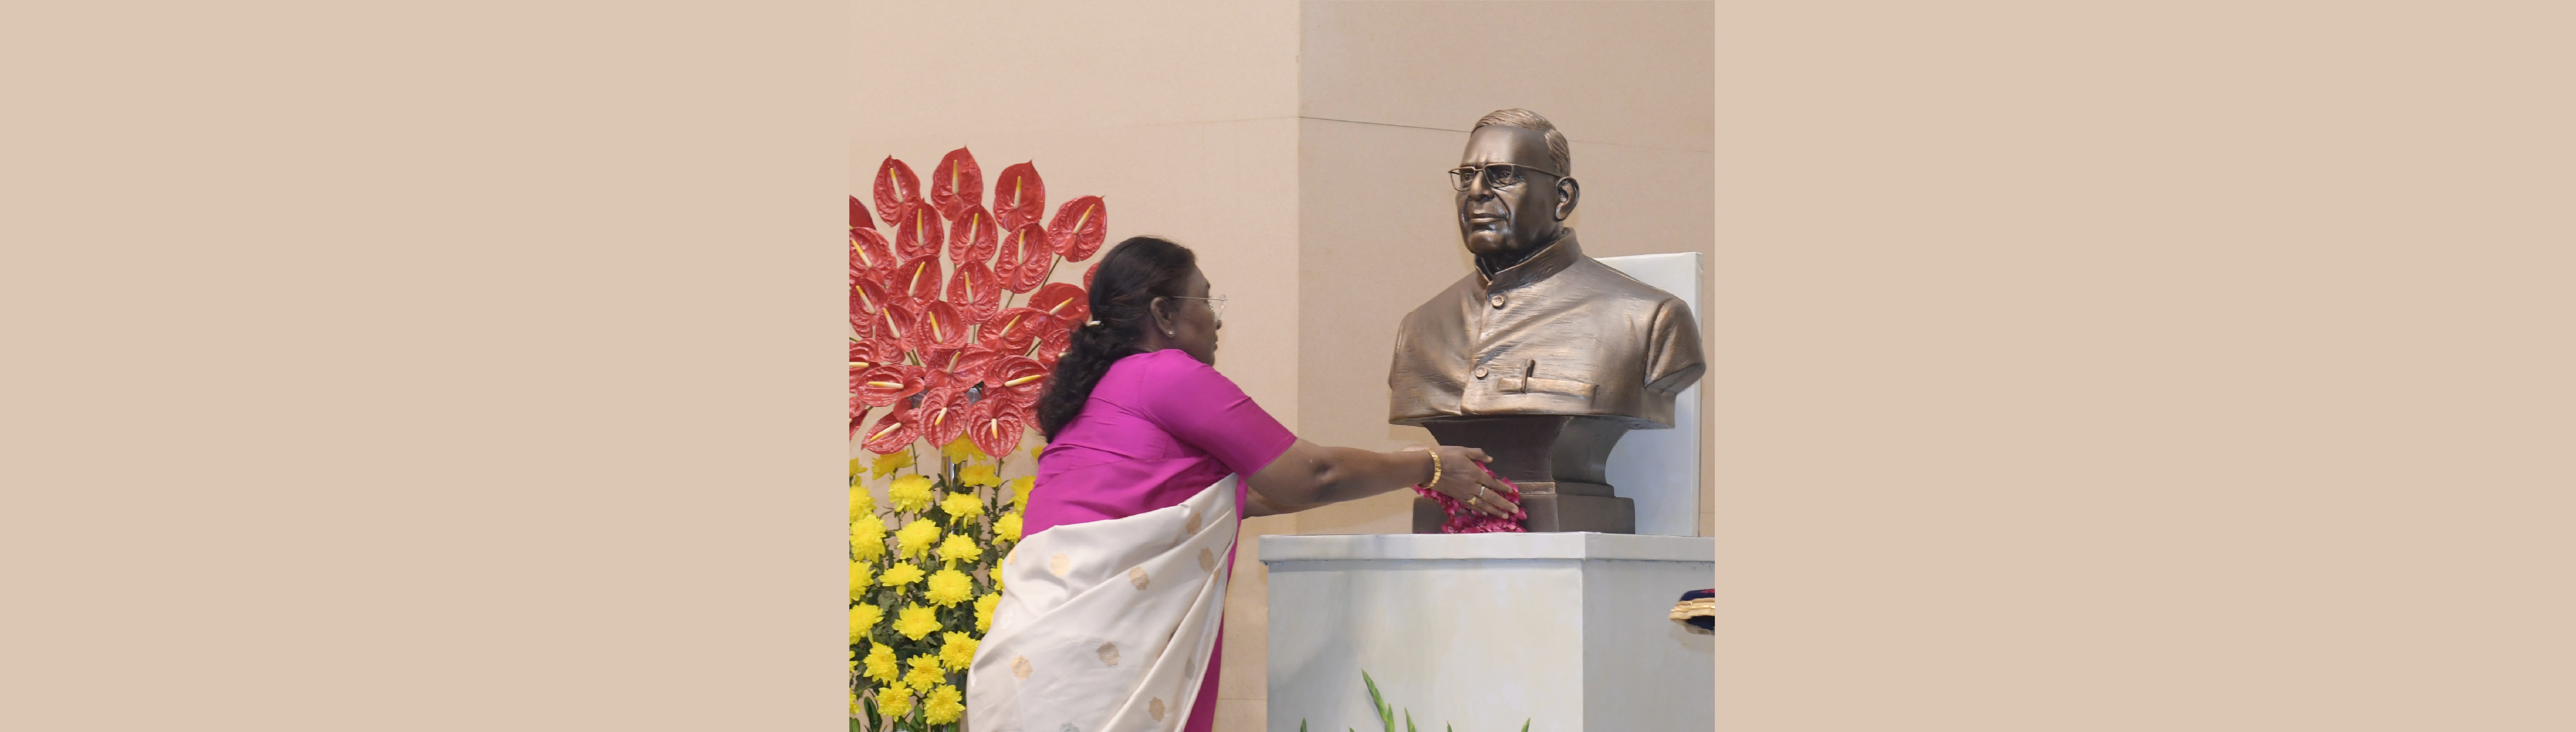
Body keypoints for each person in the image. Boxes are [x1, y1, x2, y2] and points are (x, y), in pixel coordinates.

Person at [966, 236, 1516, 732]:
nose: (1217, 320)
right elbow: (1310, 476)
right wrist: (1429, 466)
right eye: (1205, 302)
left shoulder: (1095, 391)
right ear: (1163, 313)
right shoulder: (1166, 375)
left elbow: (1233, 500)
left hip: (1024, 664)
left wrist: (1411, 474)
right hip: (1092, 673)